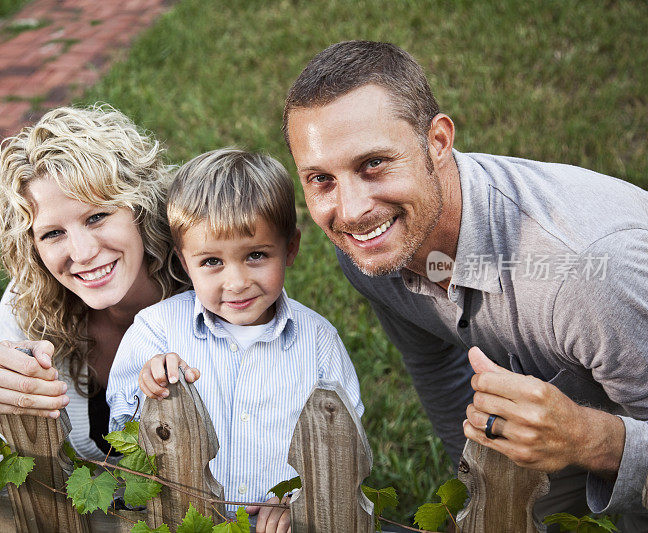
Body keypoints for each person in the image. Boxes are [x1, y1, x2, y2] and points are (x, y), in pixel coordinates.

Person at [282, 40, 648, 528]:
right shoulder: (374, 244)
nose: (350, 210)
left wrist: (587, 439)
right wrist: (482, 493)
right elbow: (436, 363)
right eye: (321, 179)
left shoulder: (587, 275)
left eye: (373, 164)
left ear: (437, 141)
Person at [106, 148, 364, 532]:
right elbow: (121, 432)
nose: (237, 282)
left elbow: (343, 448)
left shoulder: (319, 343)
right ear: (183, 261)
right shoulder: (157, 330)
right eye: (212, 262)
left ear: (290, 248)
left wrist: (298, 501)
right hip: (180, 520)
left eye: (256, 255)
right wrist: (148, 385)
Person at [0, 105, 189, 461]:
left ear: (140, 208)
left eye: (97, 216)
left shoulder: (218, 289)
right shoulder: (26, 307)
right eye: (53, 233)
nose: (82, 253)